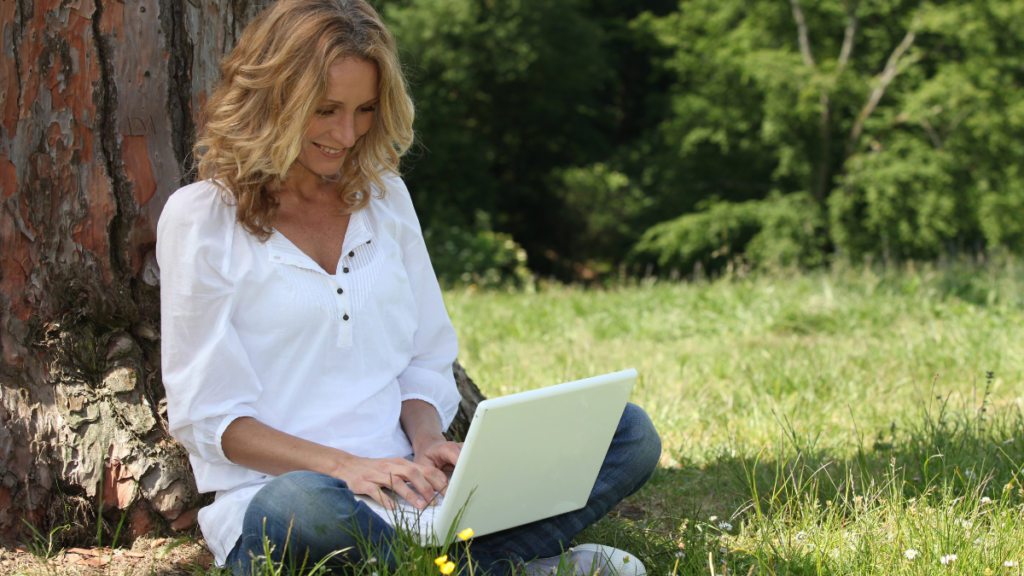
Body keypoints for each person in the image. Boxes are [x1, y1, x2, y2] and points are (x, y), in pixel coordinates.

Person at [156, 0, 662, 574]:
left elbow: (424, 359)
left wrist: (426, 443)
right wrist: (345, 467)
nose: (347, 133)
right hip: (293, 505)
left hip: (413, 497)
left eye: (365, 109)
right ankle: (502, 566)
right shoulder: (202, 218)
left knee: (628, 434)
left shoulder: (384, 198)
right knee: (300, 504)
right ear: (274, 98)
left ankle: (454, 564)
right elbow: (209, 419)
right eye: (325, 110)